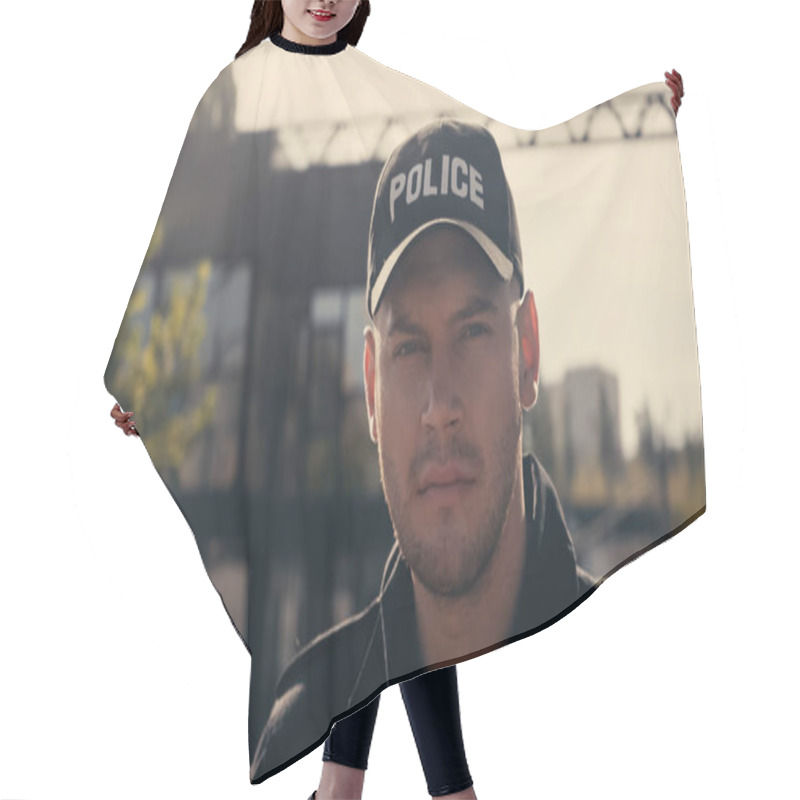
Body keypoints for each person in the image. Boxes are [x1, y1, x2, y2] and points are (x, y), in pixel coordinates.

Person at [109, 3, 686, 799]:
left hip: (355, 397)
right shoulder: (237, 93)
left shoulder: (368, 85)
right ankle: (409, 790)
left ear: (526, 349)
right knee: (396, 594)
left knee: (402, 593)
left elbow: (517, 146)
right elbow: (196, 239)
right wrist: (152, 371)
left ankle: (354, 788)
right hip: (301, 399)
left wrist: (641, 123)